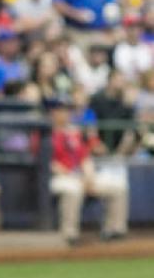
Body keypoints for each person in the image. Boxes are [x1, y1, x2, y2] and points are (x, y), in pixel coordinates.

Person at [46, 98, 128, 244]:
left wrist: (88, 177)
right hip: (58, 177)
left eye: (67, 110)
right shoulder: (45, 133)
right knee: (73, 189)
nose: (66, 114)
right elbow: (49, 163)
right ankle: (69, 235)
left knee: (118, 186)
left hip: (81, 176)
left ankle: (114, 231)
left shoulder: (74, 133)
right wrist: (75, 177)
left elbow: (85, 158)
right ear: (52, 112)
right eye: (62, 110)